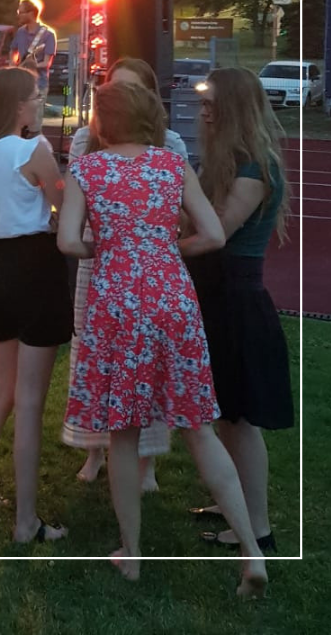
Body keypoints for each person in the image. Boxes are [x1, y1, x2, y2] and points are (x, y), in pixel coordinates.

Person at [58, 81, 268, 594]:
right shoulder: (172, 166)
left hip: (117, 304)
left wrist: (109, 248)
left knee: (123, 433)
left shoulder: (87, 169)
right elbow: (213, 235)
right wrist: (167, 247)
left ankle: (132, 554)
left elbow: (67, 241)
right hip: (172, 297)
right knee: (199, 426)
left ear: (102, 122)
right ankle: (252, 551)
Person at [0, 66, 72, 543]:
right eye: (37, 97)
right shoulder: (32, 149)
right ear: (19, 105)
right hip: (36, 266)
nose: (41, 105)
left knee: (3, 390)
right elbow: (64, 201)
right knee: (29, 401)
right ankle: (26, 522)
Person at [61, 57, 188, 492]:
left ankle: (146, 460)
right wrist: (104, 245)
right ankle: (96, 450)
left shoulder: (170, 145)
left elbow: (185, 216)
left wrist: (152, 243)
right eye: (112, 89)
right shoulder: (87, 140)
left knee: (149, 363)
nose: (117, 99)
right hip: (100, 266)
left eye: (129, 90)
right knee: (96, 357)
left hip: (149, 272)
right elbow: (74, 219)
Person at [185, 67, 293, 555]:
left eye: (212, 105)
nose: (203, 112)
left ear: (235, 109)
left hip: (236, 300)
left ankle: (258, 529)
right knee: (226, 413)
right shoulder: (231, 162)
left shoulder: (254, 168)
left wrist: (160, 244)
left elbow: (217, 233)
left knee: (240, 419)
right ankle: (237, 505)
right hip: (218, 295)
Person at [9, 0, 56, 133]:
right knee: (16, 124)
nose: (18, 15)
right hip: (20, 84)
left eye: (21, 12)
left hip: (38, 85)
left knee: (34, 126)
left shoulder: (48, 34)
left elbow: (46, 63)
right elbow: (13, 50)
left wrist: (31, 65)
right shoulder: (20, 32)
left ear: (31, 13)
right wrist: (13, 64)